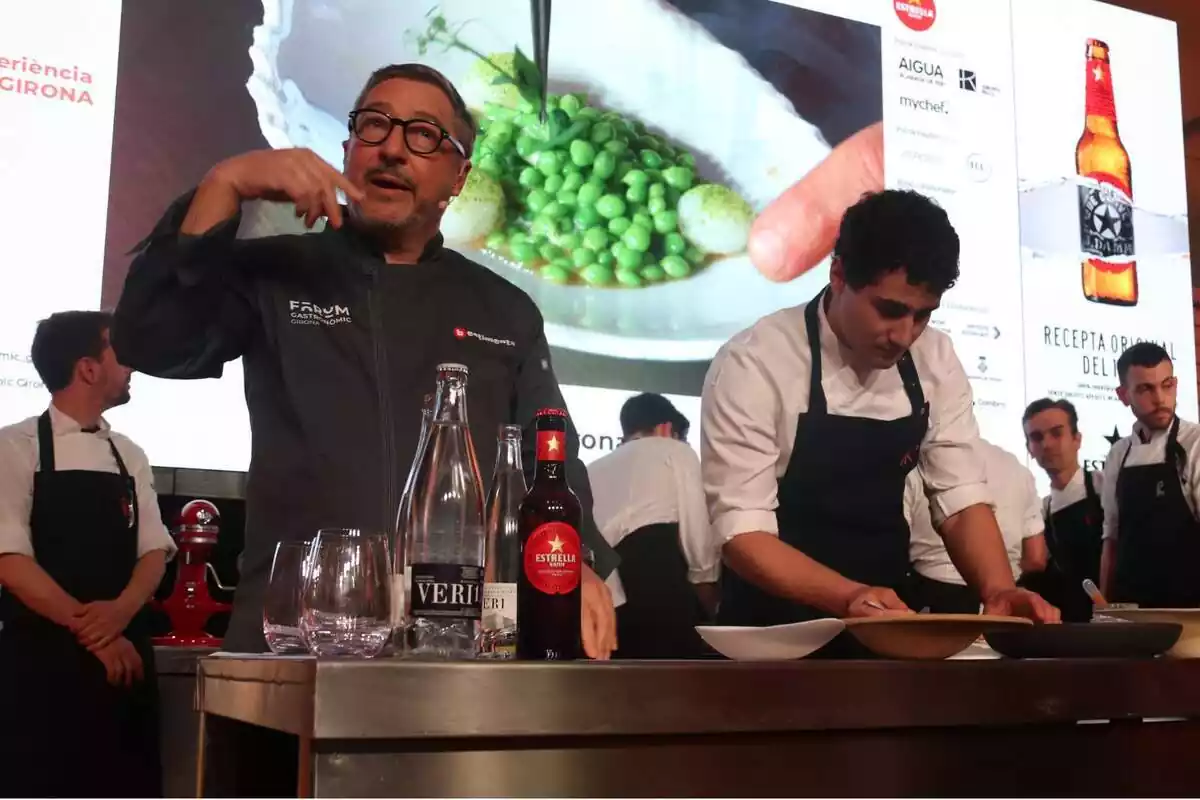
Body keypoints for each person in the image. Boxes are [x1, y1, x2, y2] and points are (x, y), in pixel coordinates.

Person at [111, 62, 618, 657]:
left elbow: (547, 453)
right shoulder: (277, 273)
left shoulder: (505, 310)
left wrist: (576, 559)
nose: (393, 149)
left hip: (455, 648)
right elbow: (150, 341)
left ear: (459, 176)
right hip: (293, 641)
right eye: (375, 126)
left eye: (424, 134)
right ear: (348, 148)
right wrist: (224, 183)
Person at [701, 189, 1056, 652]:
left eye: (923, 315)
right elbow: (742, 532)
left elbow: (961, 495)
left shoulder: (935, 359)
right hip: (774, 637)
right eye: (889, 310)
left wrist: (997, 589)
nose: (905, 335)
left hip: (885, 626)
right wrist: (848, 596)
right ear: (839, 275)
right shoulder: (757, 363)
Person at [0, 310, 177, 797]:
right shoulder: (14, 447)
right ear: (88, 368)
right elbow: (10, 562)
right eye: (118, 351)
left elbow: (154, 551)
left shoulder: (129, 454)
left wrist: (121, 613)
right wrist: (99, 636)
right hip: (44, 670)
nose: (131, 365)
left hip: (126, 671)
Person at [588, 393, 719, 659]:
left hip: (603, 594)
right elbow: (698, 538)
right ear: (667, 429)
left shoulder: (590, 469)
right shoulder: (674, 449)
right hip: (657, 580)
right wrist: (711, 604)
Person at [1100, 343, 1200, 607]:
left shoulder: (1195, 444)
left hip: (1188, 612)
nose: (1160, 398)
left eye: (1167, 385)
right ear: (1123, 395)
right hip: (1131, 614)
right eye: (1145, 389)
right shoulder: (1118, 455)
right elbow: (1111, 538)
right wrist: (1103, 606)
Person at [904, 439, 1047, 614]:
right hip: (1008, 601)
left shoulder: (913, 463)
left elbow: (892, 548)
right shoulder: (1016, 468)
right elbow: (1036, 557)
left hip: (934, 601)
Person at [1020, 397, 1104, 622]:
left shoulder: (1105, 488)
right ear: (1029, 448)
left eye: (1056, 433)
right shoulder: (1040, 510)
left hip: (1111, 623)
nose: (1046, 444)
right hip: (1066, 629)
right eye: (1037, 438)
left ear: (1077, 439)